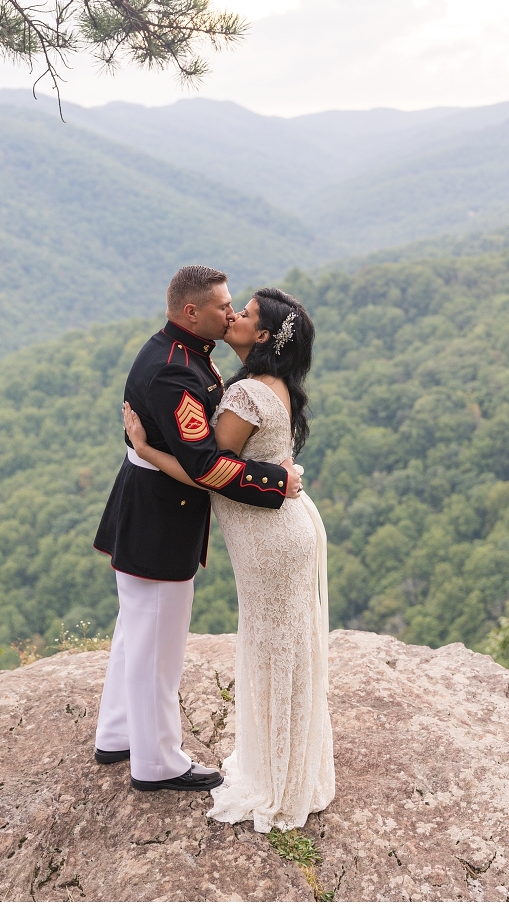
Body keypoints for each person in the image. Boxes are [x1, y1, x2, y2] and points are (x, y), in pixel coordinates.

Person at [124, 287, 335, 832]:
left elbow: (206, 470)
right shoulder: (273, 385)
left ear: (262, 336)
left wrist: (145, 451)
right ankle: (289, 768)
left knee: (271, 649)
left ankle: (276, 778)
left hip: (270, 539)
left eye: (244, 314)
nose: (234, 315)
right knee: (285, 647)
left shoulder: (245, 397)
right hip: (284, 531)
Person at [93, 266, 302, 794]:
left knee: (136, 636)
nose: (230, 313)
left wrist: (144, 448)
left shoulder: (180, 353)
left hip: (151, 510)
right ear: (192, 312)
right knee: (157, 649)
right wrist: (277, 482)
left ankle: (117, 733)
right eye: (222, 306)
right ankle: (157, 761)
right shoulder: (175, 371)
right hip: (160, 519)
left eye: (236, 307)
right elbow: (207, 465)